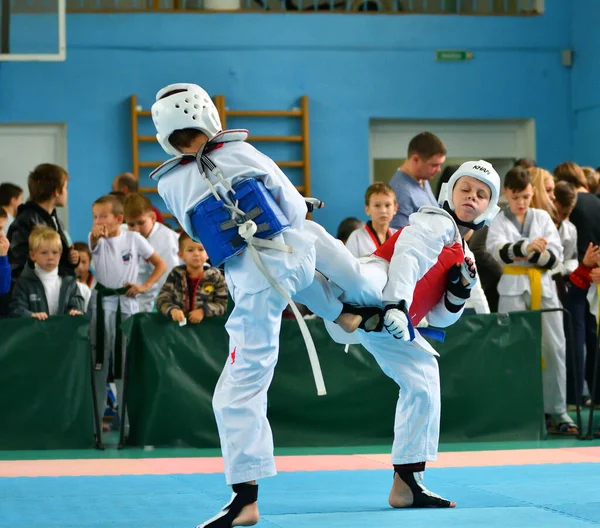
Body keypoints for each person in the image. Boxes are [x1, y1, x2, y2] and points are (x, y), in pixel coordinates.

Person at [148, 83, 374, 528]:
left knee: (237, 391)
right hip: (299, 251)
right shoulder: (244, 153)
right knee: (321, 259)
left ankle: (245, 499)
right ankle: (353, 309)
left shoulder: (172, 183)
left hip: (256, 281)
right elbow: (290, 206)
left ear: (163, 132)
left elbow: (199, 234)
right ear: (209, 117)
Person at [309, 160, 501, 509]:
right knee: (356, 278)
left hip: (389, 323)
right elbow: (410, 255)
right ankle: (295, 230)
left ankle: (408, 482)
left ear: (491, 207)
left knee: (423, 380)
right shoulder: (436, 219)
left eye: (481, 194)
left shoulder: (466, 257)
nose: (471, 197)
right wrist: (396, 302)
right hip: (383, 287)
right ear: (448, 192)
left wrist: (458, 292)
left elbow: (440, 319)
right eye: (465, 190)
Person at [486, 167, 577, 435]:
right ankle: (518, 410)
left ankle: (558, 410)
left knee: (554, 348)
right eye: (516, 197)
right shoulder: (500, 221)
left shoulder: (543, 218)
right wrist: (527, 247)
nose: (521, 203)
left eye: (526, 196)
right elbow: (498, 252)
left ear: (532, 193)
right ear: (506, 194)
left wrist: (534, 254)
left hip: (544, 288)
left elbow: (556, 256)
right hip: (512, 289)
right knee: (513, 349)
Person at [88, 194, 167, 440]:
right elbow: (92, 242)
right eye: (95, 216)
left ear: (118, 219)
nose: (98, 221)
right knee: (98, 365)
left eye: (103, 216)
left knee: (124, 368)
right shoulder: (97, 241)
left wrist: (144, 286)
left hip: (127, 308)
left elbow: (160, 264)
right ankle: (94, 429)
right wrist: (94, 234)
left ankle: (128, 429)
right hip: (101, 308)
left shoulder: (133, 239)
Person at [7, 164, 79, 281]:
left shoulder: (55, 220)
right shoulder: (25, 221)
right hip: (33, 292)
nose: (66, 192)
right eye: (65, 188)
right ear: (56, 191)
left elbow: (58, 259)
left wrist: (71, 260)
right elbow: (19, 264)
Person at [9, 226, 84, 318]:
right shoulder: (24, 282)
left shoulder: (69, 282)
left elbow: (77, 305)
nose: (50, 257)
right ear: (32, 255)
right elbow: (17, 309)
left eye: (55, 252)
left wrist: (75, 311)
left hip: (63, 332)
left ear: (60, 254)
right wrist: (31, 316)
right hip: (36, 331)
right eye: (44, 252)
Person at [123, 193, 181, 312]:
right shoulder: (125, 233)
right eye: (131, 224)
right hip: (140, 299)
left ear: (153, 218)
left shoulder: (166, 240)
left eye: (141, 223)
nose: (136, 229)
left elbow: (169, 281)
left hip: (172, 294)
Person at [156, 232, 228, 323]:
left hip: (207, 331)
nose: (196, 254)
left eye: (201, 249)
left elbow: (225, 304)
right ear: (181, 255)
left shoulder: (215, 276)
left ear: (208, 254)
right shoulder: (175, 275)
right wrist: (173, 310)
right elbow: (161, 300)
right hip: (178, 330)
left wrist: (203, 311)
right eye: (190, 250)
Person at [388, 132, 446, 228]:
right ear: (415, 159)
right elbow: (399, 238)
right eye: (434, 165)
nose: (439, 170)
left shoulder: (423, 179)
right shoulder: (400, 192)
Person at [345, 182, 398, 257]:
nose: (383, 210)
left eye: (387, 205)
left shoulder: (398, 236)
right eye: (377, 205)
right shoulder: (356, 237)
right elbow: (349, 266)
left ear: (395, 208)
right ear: (367, 209)